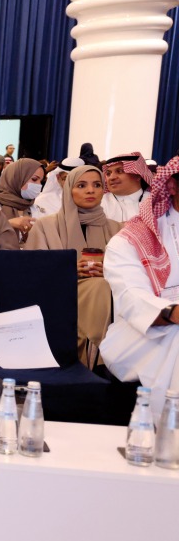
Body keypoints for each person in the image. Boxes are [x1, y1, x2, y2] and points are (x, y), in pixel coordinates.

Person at [101, 155, 179, 420]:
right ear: (172, 185)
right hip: (141, 334)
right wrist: (173, 313)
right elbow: (132, 298)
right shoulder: (130, 240)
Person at [26, 164, 121, 369]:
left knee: (100, 286)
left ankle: (94, 358)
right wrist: (68, 270)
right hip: (59, 293)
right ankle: (97, 362)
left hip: (108, 294)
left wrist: (107, 269)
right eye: (82, 185)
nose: (90, 191)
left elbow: (129, 270)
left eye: (97, 185)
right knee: (99, 287)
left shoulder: (116, 228)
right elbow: (33, 271)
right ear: (69, 189)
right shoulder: (46, 225)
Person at [0, 158, 42, 244]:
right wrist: (9, 223)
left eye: (41, 181)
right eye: (34, 179)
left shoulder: (36, 208)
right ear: (16, 178)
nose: (39, 185)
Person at [101, 152, 151, 222]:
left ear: (138, 175)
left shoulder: (154, 201)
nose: (111, 177)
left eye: (119, 171)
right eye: (108, 173)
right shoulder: (100, 203)